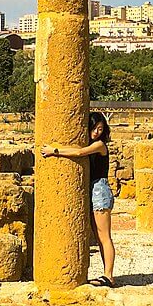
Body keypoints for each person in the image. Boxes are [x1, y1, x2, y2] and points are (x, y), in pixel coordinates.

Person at [39, 111, 116, 287]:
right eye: (95, 128)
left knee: (105, 237)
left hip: (100, 191)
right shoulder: (94, 143)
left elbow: (80, 152)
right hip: (94, 191)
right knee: (99, 236)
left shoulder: (99, 145)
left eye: (100, 129)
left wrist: (54, 151)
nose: (97, 132)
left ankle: (109, 276)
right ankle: (107, 275)